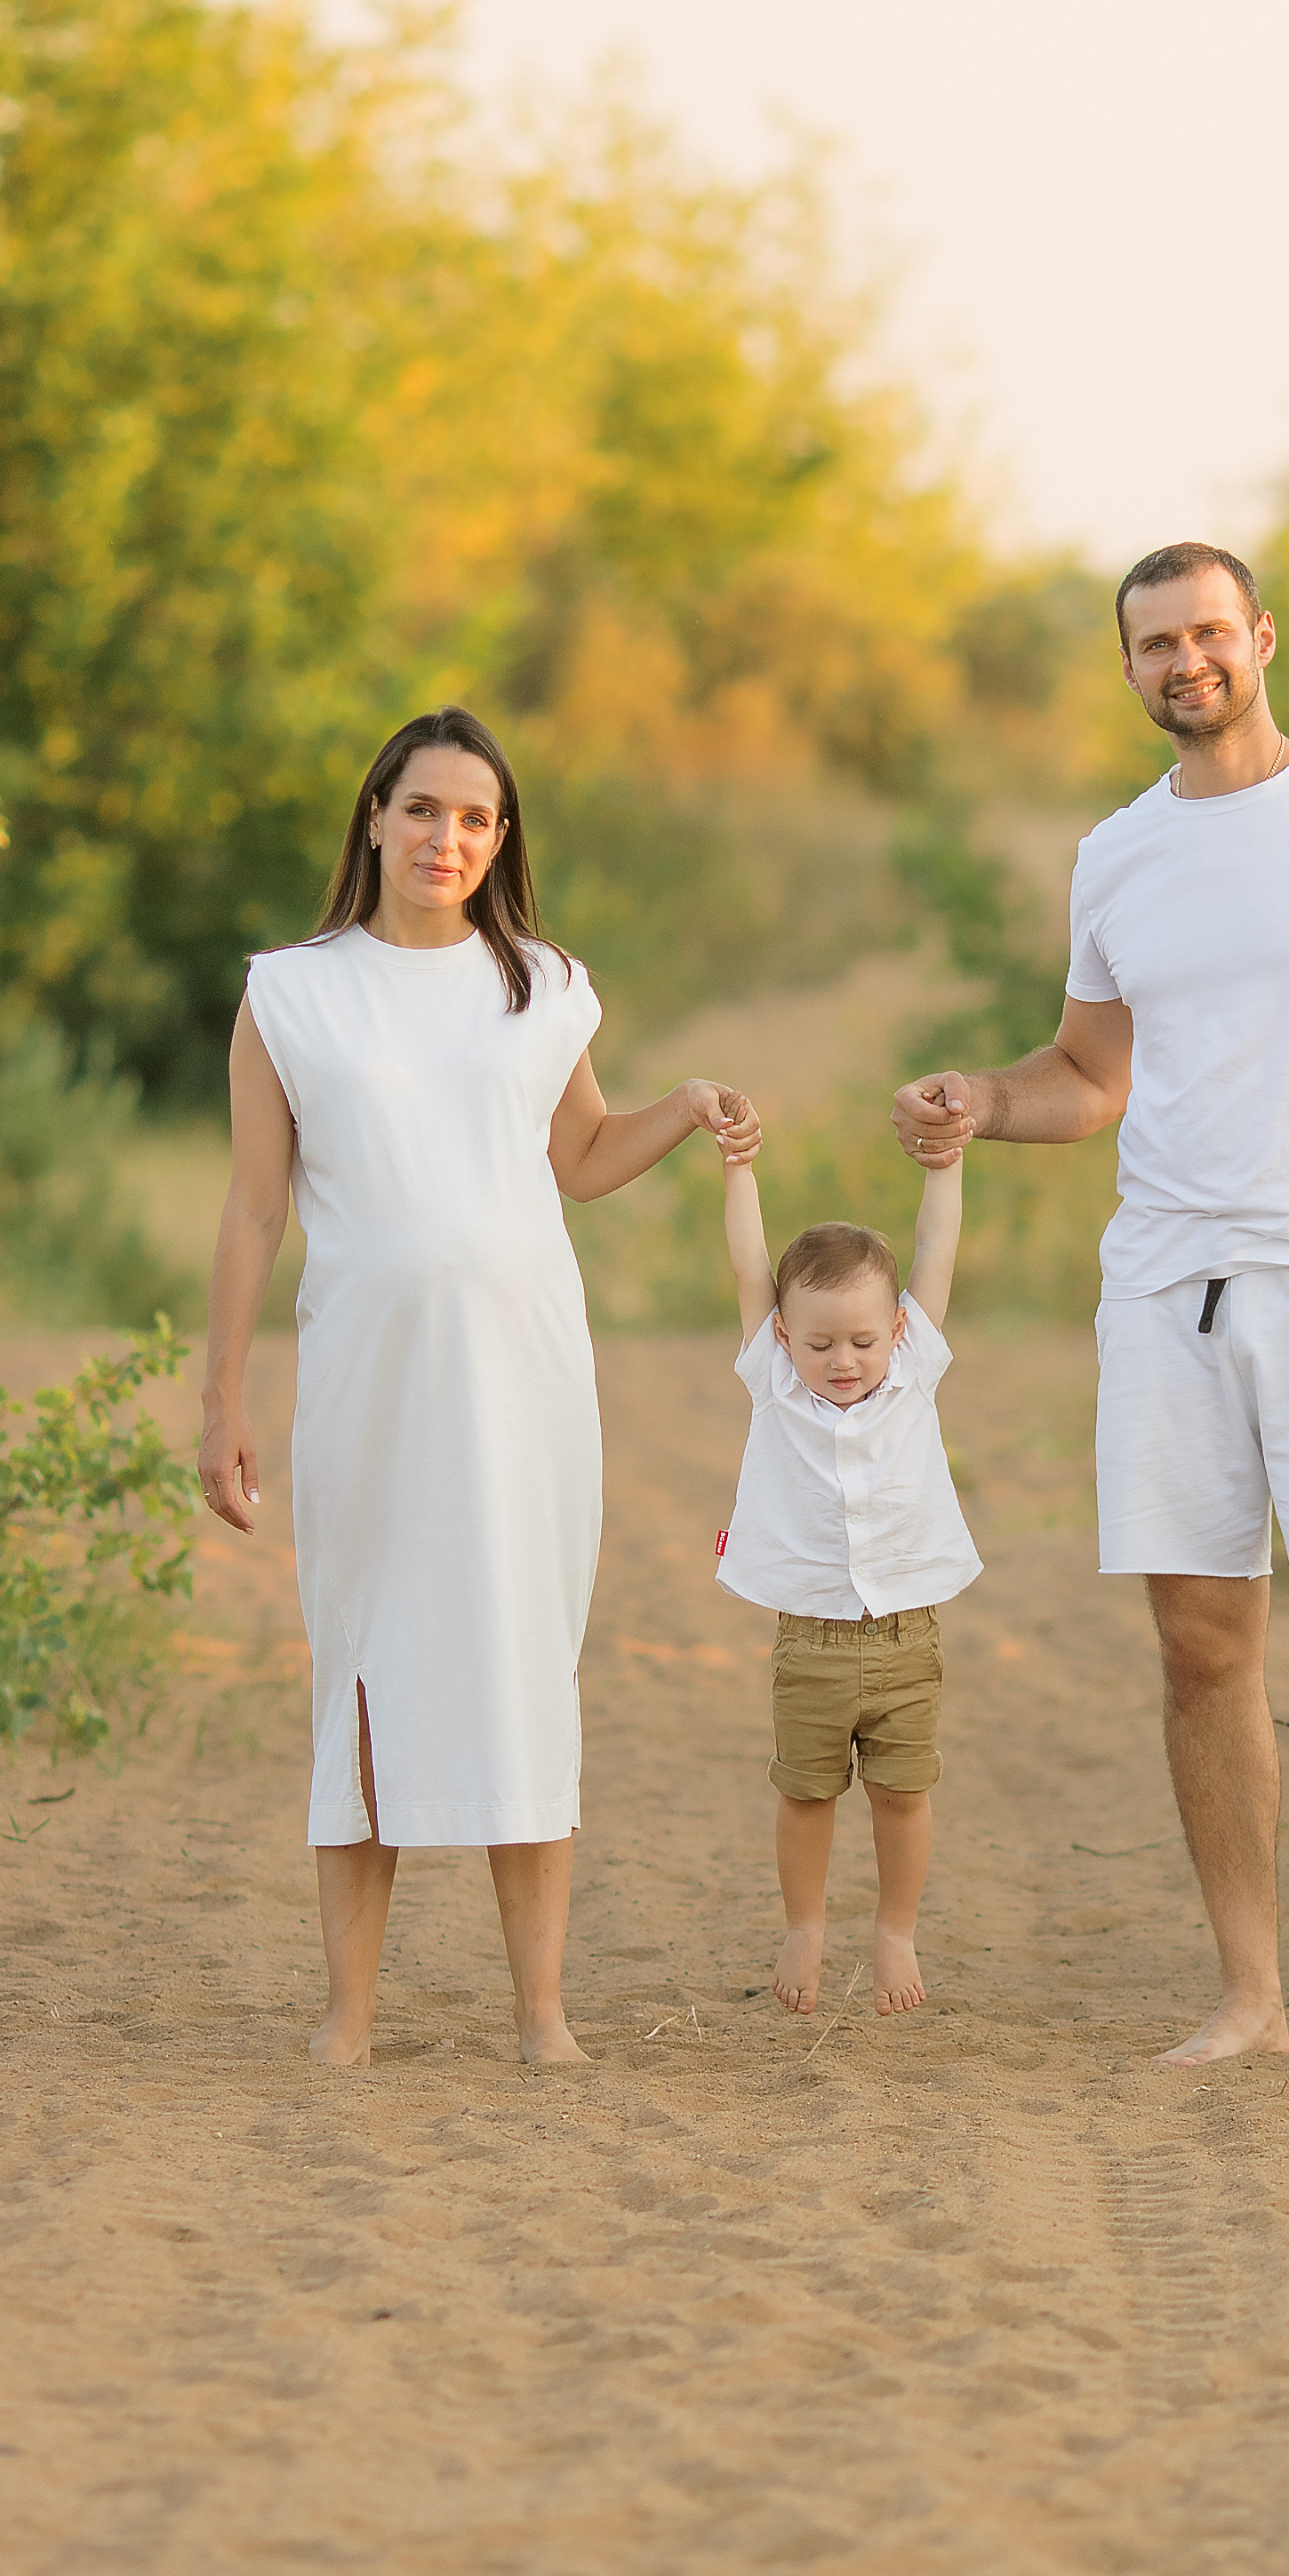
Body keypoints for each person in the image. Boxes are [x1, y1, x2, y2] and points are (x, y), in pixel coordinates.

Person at [892, 542, 1289, 2073]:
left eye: (1205, 633)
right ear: (1125, 672)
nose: (1183, 661)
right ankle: (1249, 1998)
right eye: (1150, 644)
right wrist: (981, 1095)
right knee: (1199, 1645)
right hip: (1169, 1288)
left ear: (1259, 636)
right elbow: (1093, 1077)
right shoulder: (1114, 854)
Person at [197, 705, 760, 2069]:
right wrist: (218, 1400)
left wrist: (680, 1109)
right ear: (374, 817)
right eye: (422, 807)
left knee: (520, 1657)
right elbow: (255, 1211)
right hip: (365, 1381)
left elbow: (575, 1156)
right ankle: (349, 2013)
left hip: (525, 1379)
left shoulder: (543, 984)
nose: (446, 835)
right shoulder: (291, 990)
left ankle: (540, 2013)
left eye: (475, 816)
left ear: (500, 838)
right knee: (369, 1664)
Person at [716, 1142, 981, 2019]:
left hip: (908, 1634)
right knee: (805, 1793)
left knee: (904, 1794)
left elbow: (935, 1254)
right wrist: (739, 1168)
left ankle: (895, 1929)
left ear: (897, 1331)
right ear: (783, 1335)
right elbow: (749, 1265)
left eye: (863, 1339)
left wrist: (945, 1167)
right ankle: (804, 1922)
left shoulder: (913, 1375)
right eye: (819, 1340)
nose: (843, 1359)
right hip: (811, 1640)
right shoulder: (773, 1385)